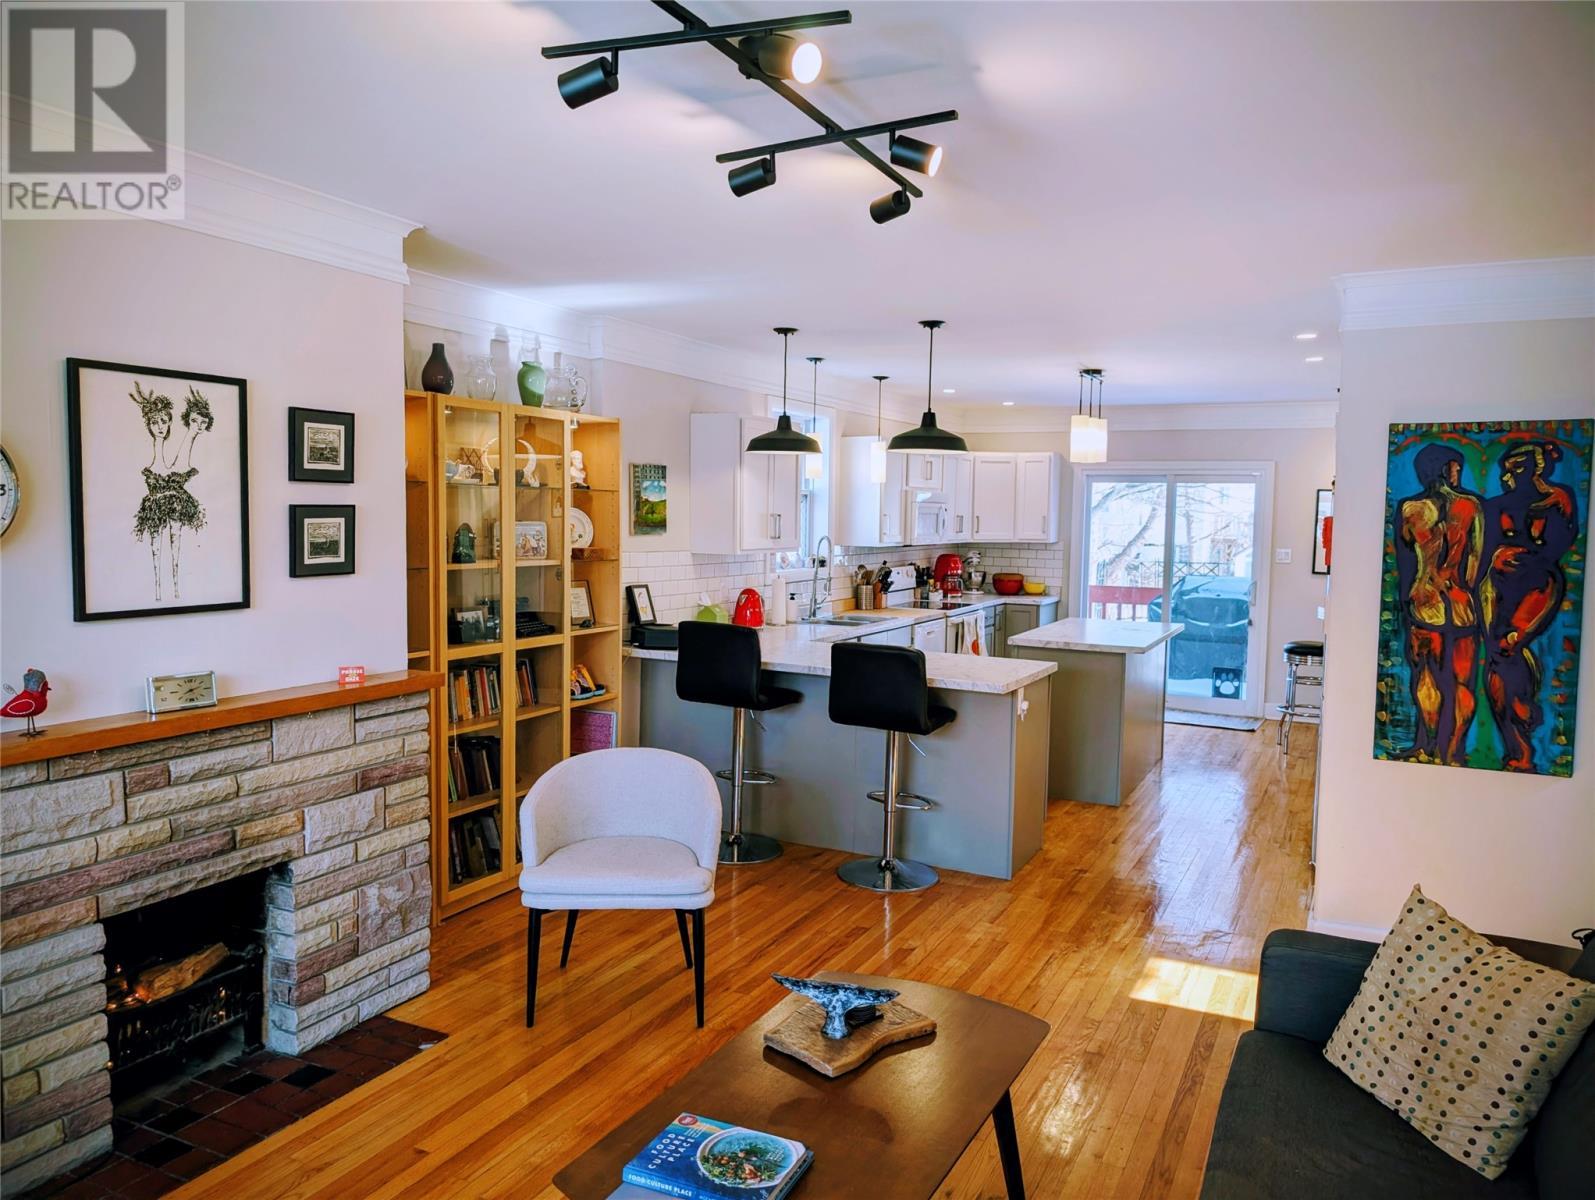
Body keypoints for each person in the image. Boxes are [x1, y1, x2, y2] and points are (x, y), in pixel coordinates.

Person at [1480, 442, 1579, 771]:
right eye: (1507, 469)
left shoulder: (1558, 501)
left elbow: (1559, 546)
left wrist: (1525, 556)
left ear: (1538, 467)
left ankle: (1523, 714)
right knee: (1495, 657)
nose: (1510, 475)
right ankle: (1516, 742)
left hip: (1538, 585)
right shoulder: (1495, 507)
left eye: (1518, 468)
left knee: (1509, 646)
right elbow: (1482, 555)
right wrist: (1497, 558)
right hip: (1498, 586)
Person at [1393, 443, 1485, 764]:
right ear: (1443, 469)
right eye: (1454, 466)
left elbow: (1406, 565)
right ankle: (1454, 752)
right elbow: (1474, 565)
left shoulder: (1410, 510)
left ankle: (1427, 747)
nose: (1458, 472)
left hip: (1424, 603)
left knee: (1426, 677)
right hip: (1462, 607)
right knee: (1461, 682)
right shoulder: (1472, 507)